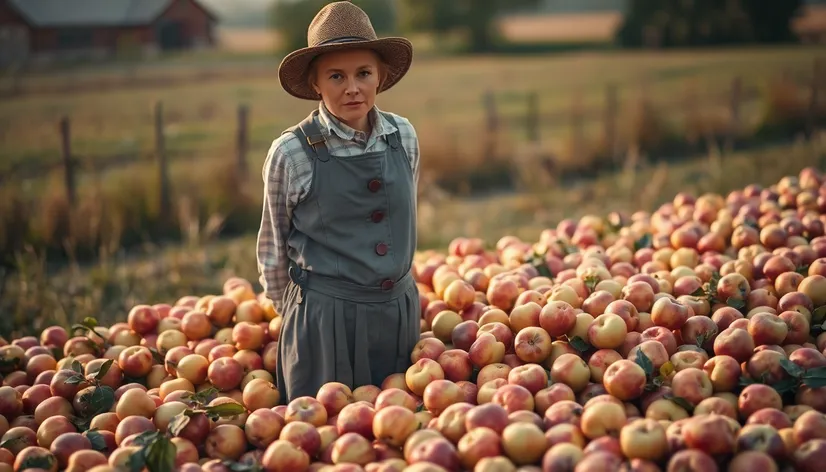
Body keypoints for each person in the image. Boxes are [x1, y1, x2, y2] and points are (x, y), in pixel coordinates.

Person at [256, 1, 421, 403]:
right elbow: (273, 248)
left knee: (396, 437)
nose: (353, 87)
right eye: (336, 76)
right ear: (315, 83)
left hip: (397, 315)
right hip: (326, 323)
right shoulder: (292, 153)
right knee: (327, 443)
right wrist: (305, 320)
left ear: (380, 75)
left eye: (363, 73)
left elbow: (400, 218)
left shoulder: (403, 136)